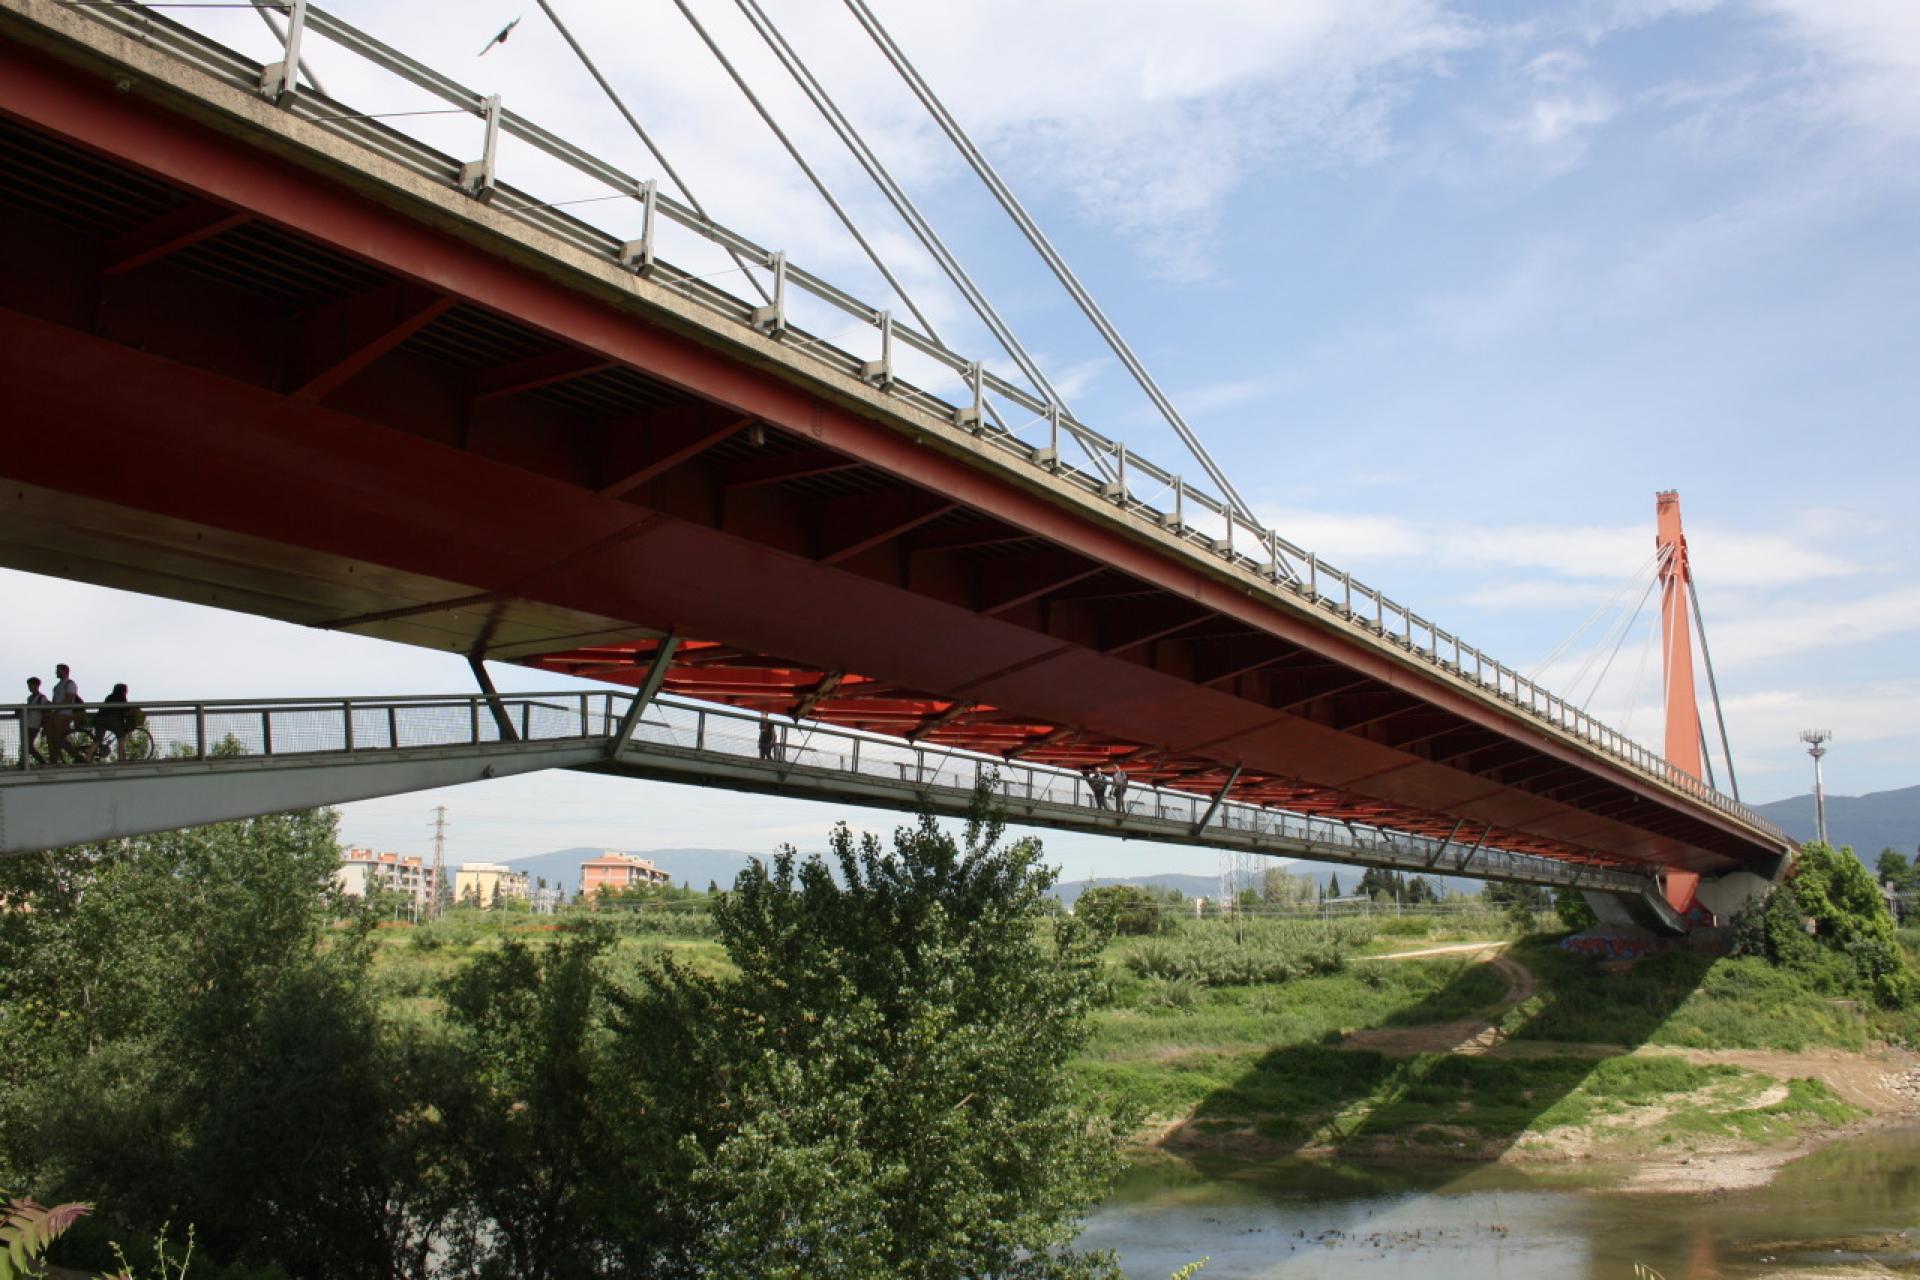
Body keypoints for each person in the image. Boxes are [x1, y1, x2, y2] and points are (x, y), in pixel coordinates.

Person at [46, 663, 81, 764]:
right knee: (52, 738)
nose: (56, 672)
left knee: (59, 737)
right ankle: (53, 760)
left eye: (58, 670)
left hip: (64, 715)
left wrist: (55, 711)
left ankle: (76, 756)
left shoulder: (70, 684)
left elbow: (68, 700)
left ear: (64, 671)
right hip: (56, 714)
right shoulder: (57, 686)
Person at [90, 683, 134, 763]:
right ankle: (121, 758)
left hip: (99, 718)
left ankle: (87, 758)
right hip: (111, 719)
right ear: (123, 691)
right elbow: (126, 710)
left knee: (98, 739)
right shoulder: (121, 698)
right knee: (121, 736)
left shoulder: (109, 697)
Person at [21, 676, 49, 765]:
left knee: (28, 745)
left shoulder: (41, 698)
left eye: (30, 685)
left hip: (34, 725)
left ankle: (42, 762)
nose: (29, 687)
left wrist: (44, 726)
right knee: (26, 745)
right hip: (27, 724)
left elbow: (45, 713)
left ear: (36, 685)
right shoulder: (30, 698)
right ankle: (23, 761)